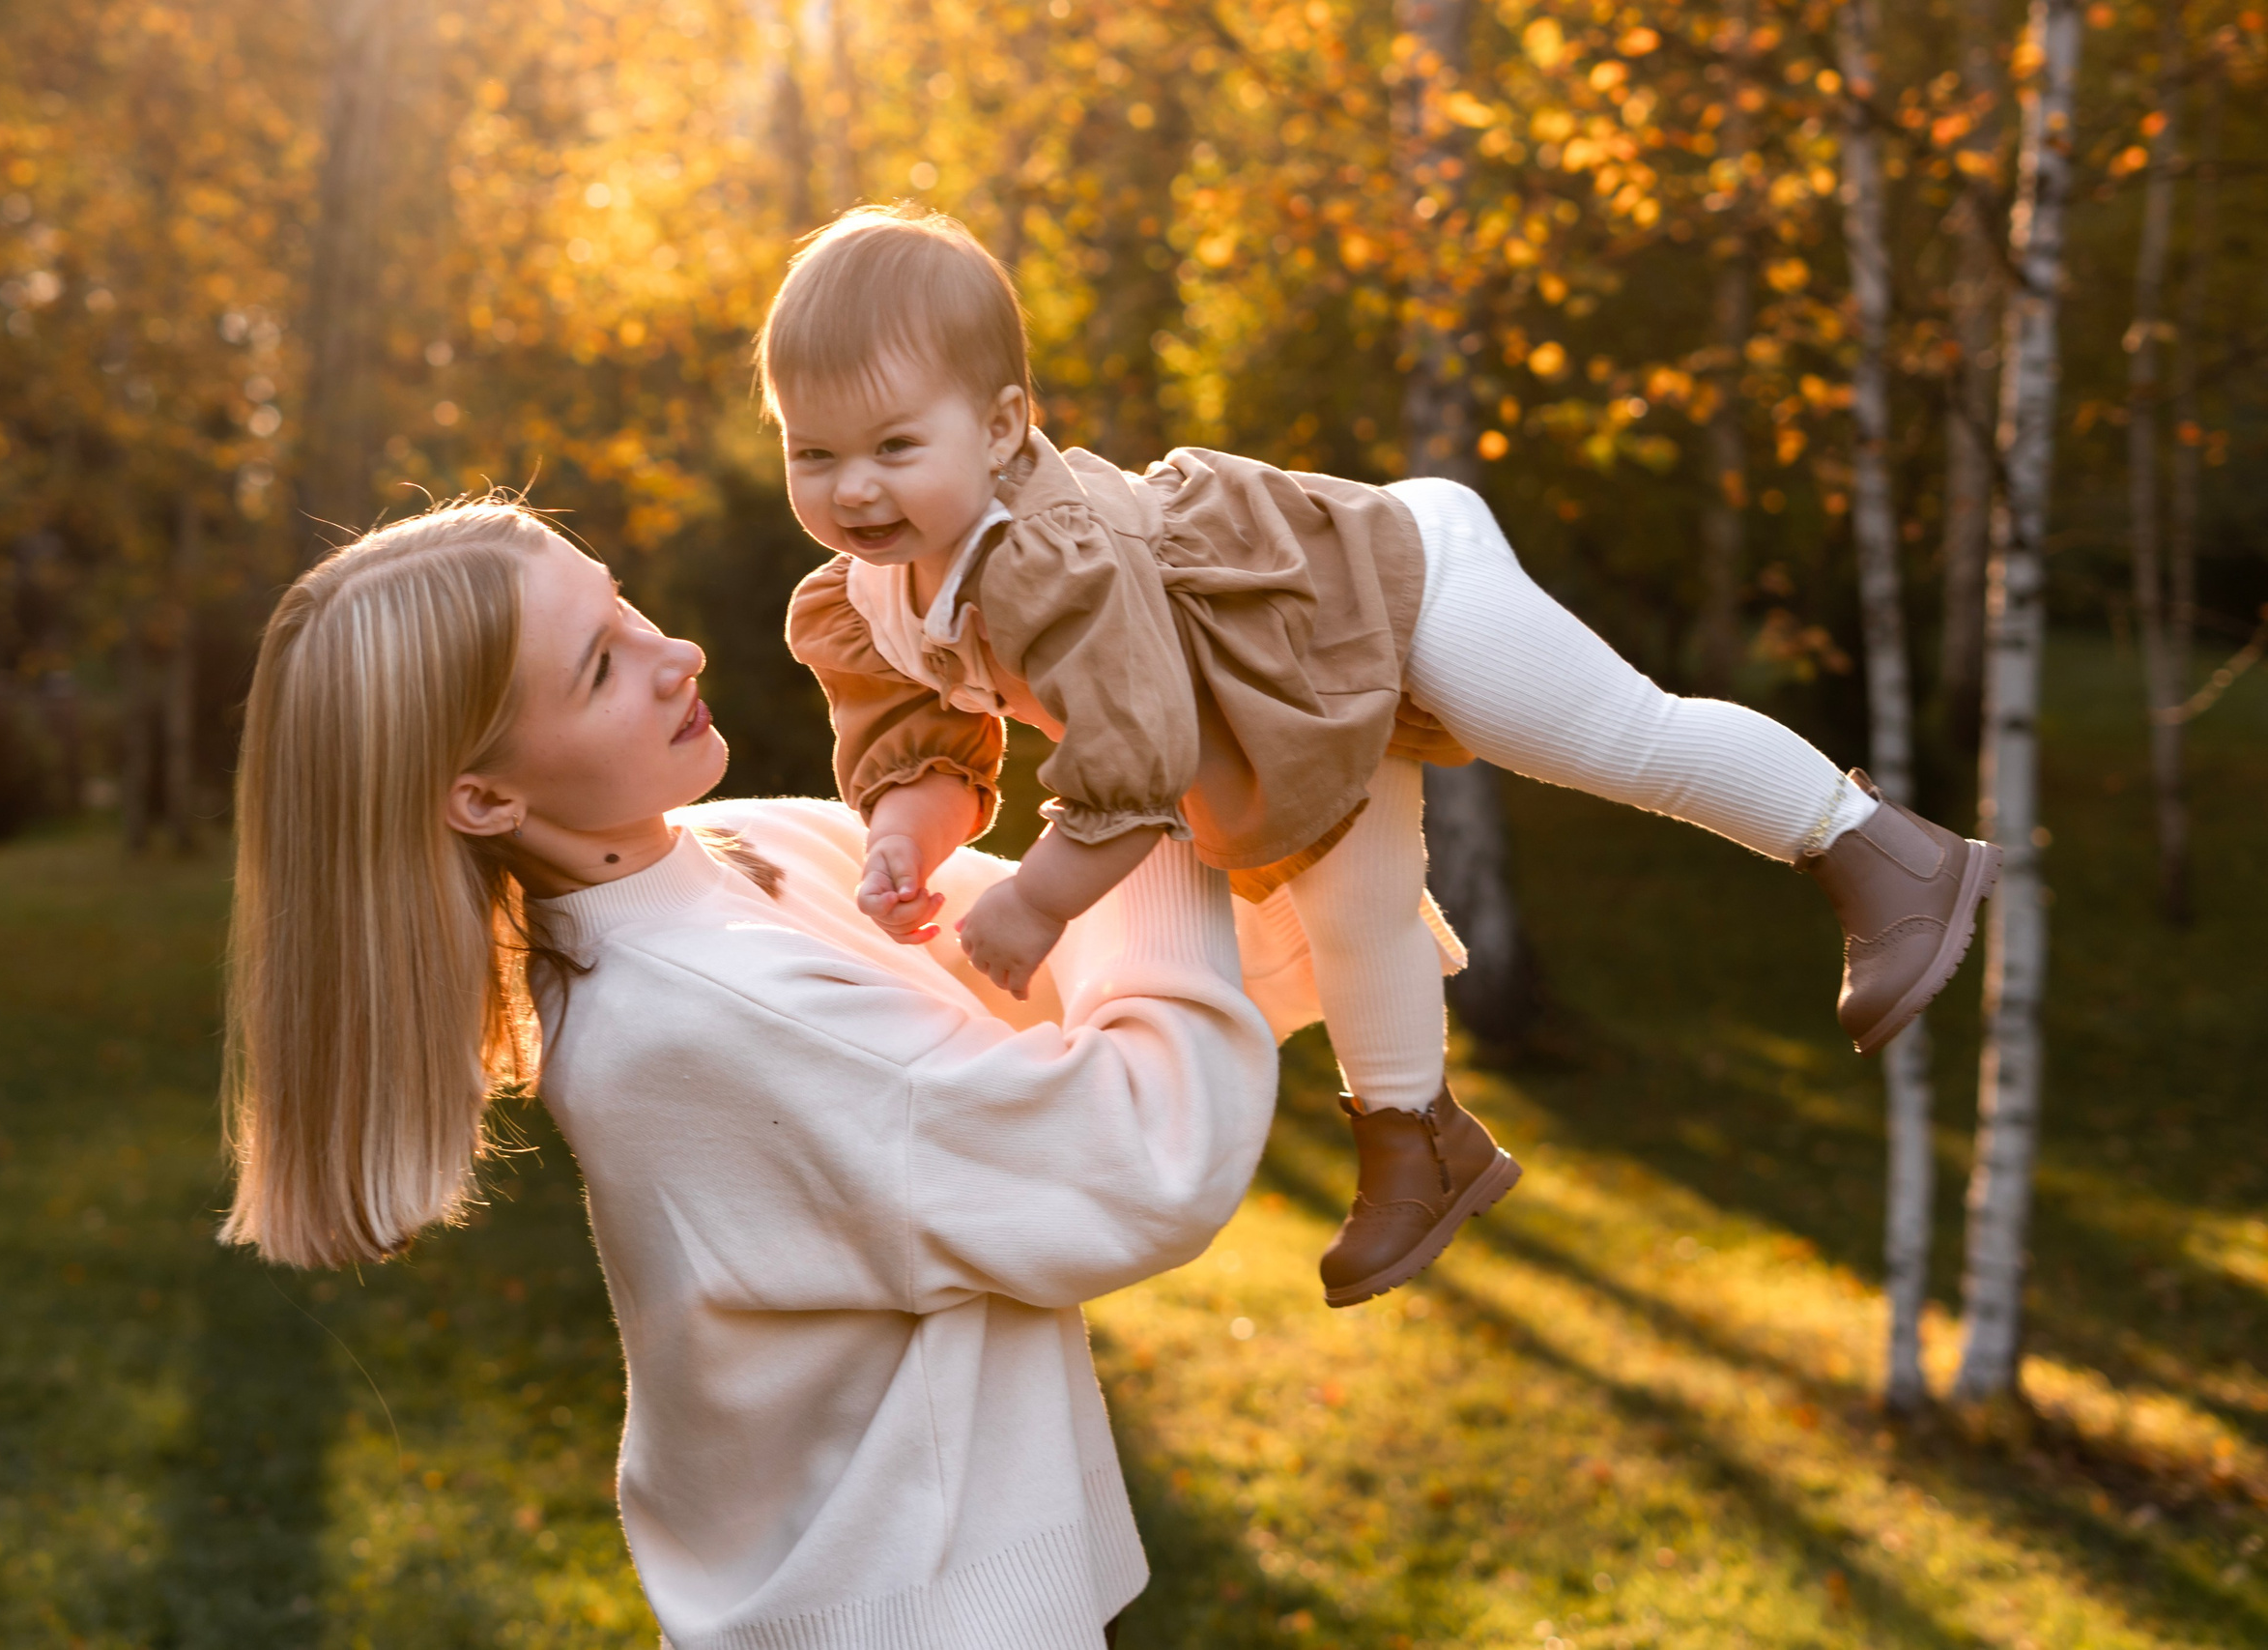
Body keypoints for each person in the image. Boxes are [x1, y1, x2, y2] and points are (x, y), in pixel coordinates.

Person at [770, 204, 2001, 1309]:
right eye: (813, 454)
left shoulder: (1048, 554)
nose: (853, 492)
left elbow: (1132, 754)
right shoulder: (871, 591)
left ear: (1000, 429)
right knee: (1356, 911)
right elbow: (924, 736)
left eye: (891, 448)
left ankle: (1879, 853)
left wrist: (1039, 899)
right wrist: (904, 836)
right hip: (1287, 705)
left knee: (1611, 737)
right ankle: (1418, 1148)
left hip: (1391, 589)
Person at [215, 498, 1285, 1649]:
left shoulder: (744, 851)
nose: (676, 656)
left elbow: (1062, 956)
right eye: (600, 668)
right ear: (484, 799)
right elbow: (1141, 1158)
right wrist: (1157, 796)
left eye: (624, 606)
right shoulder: (703, 1010)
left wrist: (1202, 787)